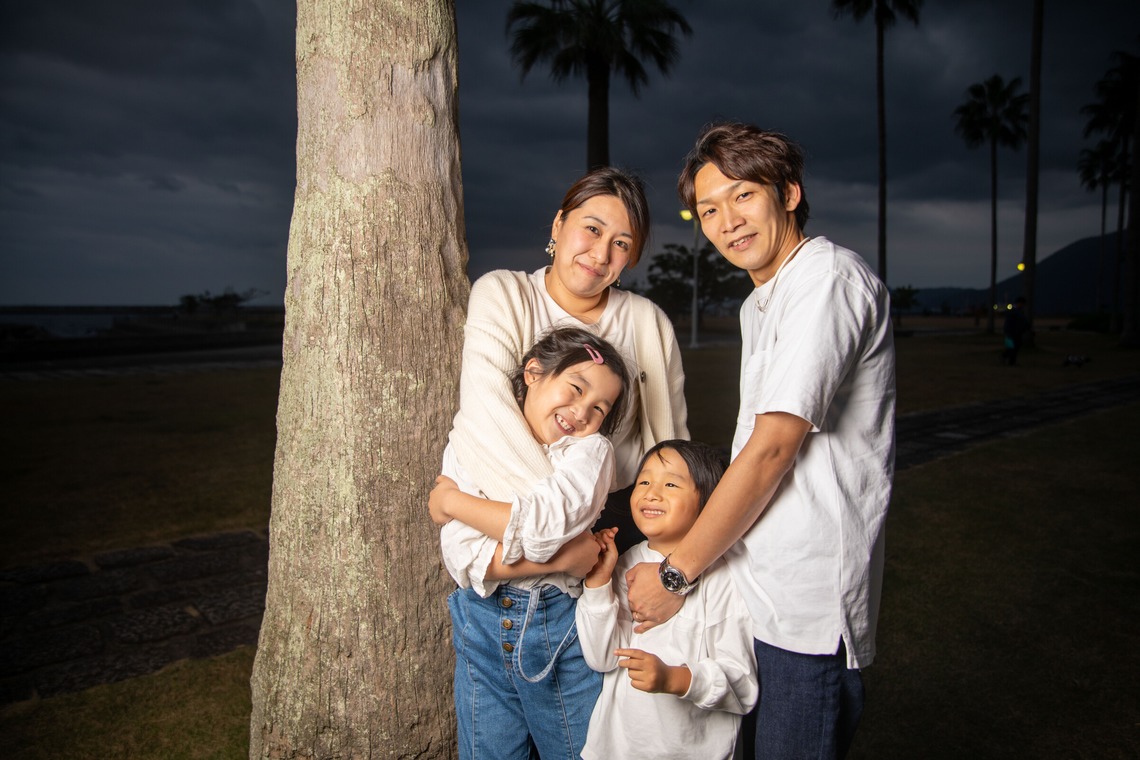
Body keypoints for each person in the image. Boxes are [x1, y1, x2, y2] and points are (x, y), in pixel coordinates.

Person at [626, 122, 896, 759]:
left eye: (743, 196)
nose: (727, 221)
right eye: (709, 208)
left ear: (790, 192)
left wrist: (675, 575)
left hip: (806, 608)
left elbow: (775, 446)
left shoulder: (826, 279)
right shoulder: (760, 302)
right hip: (755, 589)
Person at [449, 165, 689, 555]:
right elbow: (486, 414)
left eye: (622, 244)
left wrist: (673, 555)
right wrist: (565, 525)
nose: (600, 254)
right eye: (592, 229)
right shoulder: (504, 295)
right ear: (559, 224)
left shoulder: (648, 322)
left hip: (620, 530)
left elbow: (671, 446)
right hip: (506, 505)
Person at [430, 327, 632, 760]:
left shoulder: (590, 453)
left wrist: (452, 501)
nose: (581, 412)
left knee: (578, 752)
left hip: (554, 626)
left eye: (599, 408)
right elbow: (460, 556)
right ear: (534, 372)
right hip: (478, 626)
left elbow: (540, 531)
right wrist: (571, 557)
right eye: (575, 389)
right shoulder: (475, 437)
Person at [576, 440, 757, 760]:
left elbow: (742, 687)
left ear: (711, 502)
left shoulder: (724, 577)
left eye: (671, 483)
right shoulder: (625, 563)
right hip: (617, 749)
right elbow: (601, 658)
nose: (651, 492)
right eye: (644, 481)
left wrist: (676, 679)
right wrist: (598, 584)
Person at [1002, 296, 1029, 365]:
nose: (1023, 305)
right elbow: (1009, 322)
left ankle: (1008, 359)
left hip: (1017, 332)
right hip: (1013, 332)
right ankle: (1009, 360)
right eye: (1022, 304)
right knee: (1013, 347)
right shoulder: (1014, 311)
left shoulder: (1018, 311)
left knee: (1015, 347)